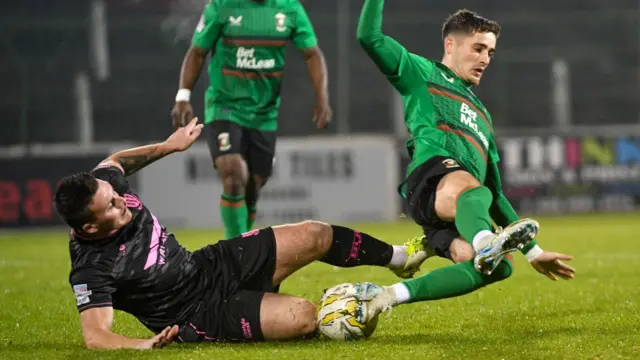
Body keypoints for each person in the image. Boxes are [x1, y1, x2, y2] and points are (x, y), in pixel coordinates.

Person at [55, 118, 422, 349]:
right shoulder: (91, 267)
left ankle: (400, 258)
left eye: (117, 195)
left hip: (210, 265)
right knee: (305, 317)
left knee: (315, 233)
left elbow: (116, 161)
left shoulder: (105, 185)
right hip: (197, 313)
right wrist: (143, 345)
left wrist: (169, 146)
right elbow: (95, 336)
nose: (122, 201)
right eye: (112, 206)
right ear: (89, 227)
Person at [355, 1, 576, 317]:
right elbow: (369, 37)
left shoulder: (483, 116)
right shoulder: (421, 72)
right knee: (475, 191)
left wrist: (534, 253)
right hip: (430, 180)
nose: (485, 59)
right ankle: (486, 240)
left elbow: (496, 195)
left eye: (490, 52)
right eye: (478, 48)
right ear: (450, 44)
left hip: (457, 210)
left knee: (497, 268)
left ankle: (386, 297)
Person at [171, 0, 332, 239]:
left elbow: (312, 54)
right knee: (233, 172)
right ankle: (236, 252)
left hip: (264, 112)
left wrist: (322, 97)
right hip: (225, 106)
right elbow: (197, 52)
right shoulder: (222, 6)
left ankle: (244, 245)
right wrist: (183, 96)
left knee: (254, 184)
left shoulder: (289, 9)